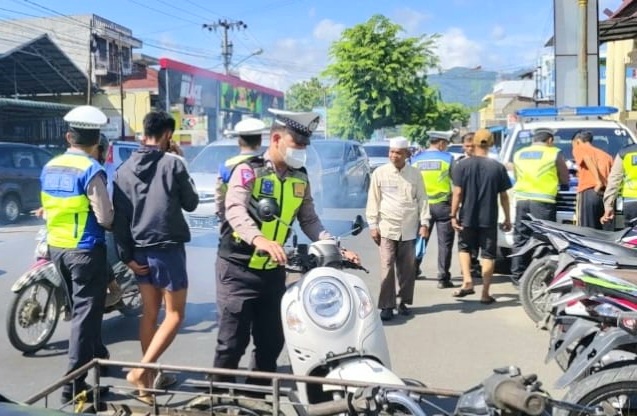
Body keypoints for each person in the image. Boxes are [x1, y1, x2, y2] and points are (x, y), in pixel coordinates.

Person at [213, 108, 360, 384]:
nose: (302, 150)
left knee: (271, 344)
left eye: (305, 145)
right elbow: (234, 211)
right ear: (276, 138)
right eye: (298, 144)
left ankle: (254, 399)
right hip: (237, 271)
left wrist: (335, 247)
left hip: (272, 273)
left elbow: (310, 220)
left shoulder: (299, 177)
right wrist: (260, 240)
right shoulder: (249, 171)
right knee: (231, 344)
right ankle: (218, 399)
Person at [112, 111, 199, 401]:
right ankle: (142, 369)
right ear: (166, 135)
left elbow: (119, 218)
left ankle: (146, 386)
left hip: (137, 251)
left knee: (149, 314)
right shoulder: (173, 164)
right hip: (167, 249)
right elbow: (192, 203)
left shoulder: (122, 170)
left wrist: (125, 255)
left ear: (144, 132)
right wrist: (180, 161)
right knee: (174, 315)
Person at [40, 105, 113, 403]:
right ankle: (73, 384)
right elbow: (106, 217)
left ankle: (99, 358)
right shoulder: (91, 170)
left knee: (85, 312)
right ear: (97, 141)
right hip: (85, 250)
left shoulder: (50, 166)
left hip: (58, 249)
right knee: (84, 316)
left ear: (69, 136)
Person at [366, 137, 429, 321]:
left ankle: (403, 302)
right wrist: (372, 225)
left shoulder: (415, 174)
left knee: (407, 268)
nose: (394, 156)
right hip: (387, 228)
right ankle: (387, 305)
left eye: (398, 153)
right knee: (387, 267)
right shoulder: (380, 173)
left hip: (409, 228)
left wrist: (424, 223)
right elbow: (373, 200)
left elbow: (423, 199)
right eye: (391, 152)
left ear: (407, 154)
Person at [450, 129, 512, 304]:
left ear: (474, 143)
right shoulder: (497, 167)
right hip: (489, 218)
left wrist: (453, 215)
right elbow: (504, 196)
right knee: (488, 254)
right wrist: (507, 218)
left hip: (466, 216)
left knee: (464, 248)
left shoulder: (461, 165)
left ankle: (467, 281)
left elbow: (457, 193)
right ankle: (485, 293)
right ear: (491, 144)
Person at [510, 128, 569, 285]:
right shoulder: (553, 153)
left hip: (522, 200)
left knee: (520, 237)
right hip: (543, 202)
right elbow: (564, 178)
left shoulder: (519, 154)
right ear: (550, 140)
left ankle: (517, 276)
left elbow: (517, 176)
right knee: (544, 238)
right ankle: (542, 276)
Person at [411, 132, 456, 288]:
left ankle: (413, 269)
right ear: (441, 143)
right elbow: (456, 183)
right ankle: (443, 278)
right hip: (443, 206)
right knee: (445, 243)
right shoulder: (448, 159)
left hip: (422, 206)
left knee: (420, 239)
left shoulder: (415, 159)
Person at [215, 118, 266, 222]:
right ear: (260, 142)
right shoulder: (266, 165)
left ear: (239, 142)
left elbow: (220, 197)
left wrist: (222, 216)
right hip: (263, 222)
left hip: (235, 224)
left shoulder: (227, 166)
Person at [571, 131, 612, 229]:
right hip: (605, 195)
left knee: (586, 230)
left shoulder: (579, 148)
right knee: (603, 230)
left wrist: (598, 181)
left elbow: (586, 158)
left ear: (577, 141)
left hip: (589, 192)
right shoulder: (606, 156)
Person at [455, 132, 481, 279]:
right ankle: (466, 266)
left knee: (477, 239)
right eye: (466, 146)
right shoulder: (459, 163)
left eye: (472, 146)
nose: (469, 149)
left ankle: (474, 262)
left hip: (481, 206)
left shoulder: (485, 162)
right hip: (465, 206)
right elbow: (456, 188)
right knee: (465, 238)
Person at [602, 141, 637, 226]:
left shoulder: (624, 152)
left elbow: (614, 179)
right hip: (624, 202)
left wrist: (608, 206)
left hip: (623, 202)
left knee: (621, 233)